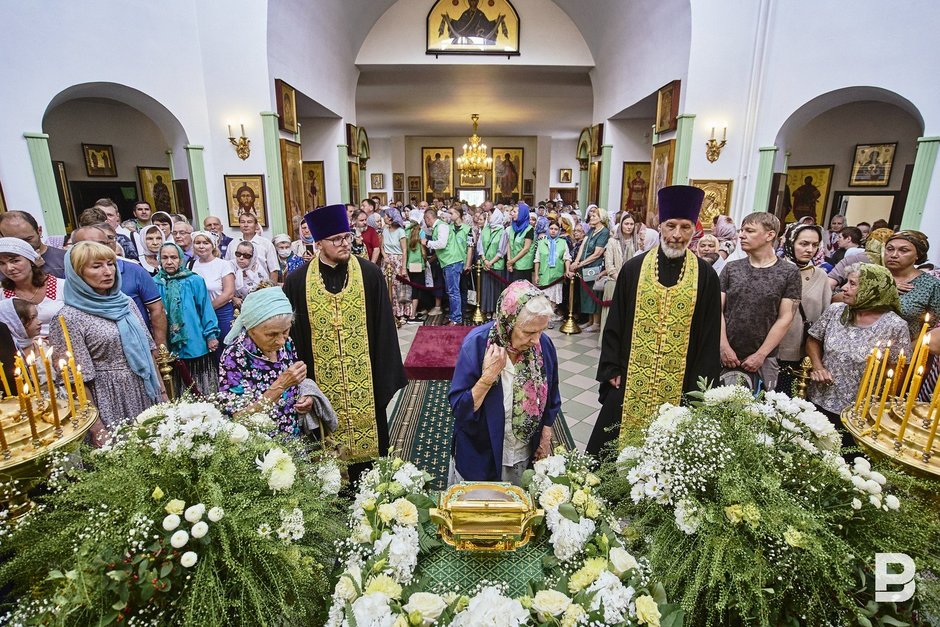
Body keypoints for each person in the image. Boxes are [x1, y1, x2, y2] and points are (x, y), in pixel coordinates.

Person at [588, 186, 721, 455]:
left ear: (694, 229)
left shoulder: (706, 276)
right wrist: (612, 367)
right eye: (671, 225)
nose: (676, 235)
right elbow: (617, 321)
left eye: (685, 227)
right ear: (660, 225)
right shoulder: (634, 269)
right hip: (630, 377)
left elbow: (709, 335)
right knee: (607, 453)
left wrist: (700, 387)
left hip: (682, 382)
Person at [282, 204, 406, 483]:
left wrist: (383, 381)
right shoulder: (297, 282)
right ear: (319, 243)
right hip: (321, 388)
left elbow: (385, 331)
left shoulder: (369, 275)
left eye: (347, 237)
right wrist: (302, 387)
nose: (345, 244)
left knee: (369, 473)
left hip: (366, 386)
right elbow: (292, 341)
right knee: (327, 472)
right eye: (336, 239)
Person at [49, 242, 164, 444]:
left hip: (143, 389)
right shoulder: (68, 318)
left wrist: (161, 393)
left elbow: (147, 349)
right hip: (107, 399)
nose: (108, 271)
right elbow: (75, 380)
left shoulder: (125, 302)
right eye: (96, 266)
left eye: (110, 264)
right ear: (77, 273)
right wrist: (96, 427)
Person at [448, 281, 560, 484]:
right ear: (509, 323)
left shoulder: (543, 346)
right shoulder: (477, 344)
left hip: (524, 453)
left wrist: (545, 434)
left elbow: (552, 394)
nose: (536, 340)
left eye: (541, 330)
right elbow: (459, 409)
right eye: (528, 332)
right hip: (481, 454)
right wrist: (488, 377)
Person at [807, 263, 910, 446]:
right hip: (820, 400)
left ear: (872, 289)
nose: (844, 288)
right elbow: (814, 339)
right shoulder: (836, 311)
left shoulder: (895, 325)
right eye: (847, 282)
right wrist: (818, 366)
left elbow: (898, 369)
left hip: (860, 412)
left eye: (853, 284)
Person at [720, 212, 801, 391]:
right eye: (741, 230)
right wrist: (723, 346)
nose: (741, 235)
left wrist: (760, 355)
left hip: (764, 359)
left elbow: (785, 318)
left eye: (749, 231)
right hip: (725, 355)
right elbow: (716, 310)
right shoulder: (731, 268)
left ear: (769, 235)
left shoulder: (788, 272)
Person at [218, 288, 315, 437]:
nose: (281, 340)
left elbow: (295, 388)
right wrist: (280, 385)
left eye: (286, 331)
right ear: (251, 329)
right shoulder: (234, 356)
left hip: (293, 437)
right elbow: (238, 418)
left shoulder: (287, 344)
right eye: (272, 334)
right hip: (261, 447)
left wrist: (304, 399)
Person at [70, 225, 168, 348]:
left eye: (100, 244)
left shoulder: (133, 277)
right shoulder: (69, 304)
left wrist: (160, 346)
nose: (107, 272)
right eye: (86, 245)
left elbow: (157, 310)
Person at [154, 243, 220, 396]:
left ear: (181, 259)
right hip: (168, 342)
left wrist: (211, 335)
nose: (169, 261)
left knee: (199, 383)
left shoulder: (194, 280)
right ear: (159, 259)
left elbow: (205, 308)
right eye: (165, 257)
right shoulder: (156, 282)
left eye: (173, 257)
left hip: (194, 339)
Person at [776, 223, 833, 396]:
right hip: (772, 349)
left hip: (803, 353)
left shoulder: (821, 275)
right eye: (804, 244)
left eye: (815, 245)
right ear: (791, 242)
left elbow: (825, 315)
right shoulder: (775, 270)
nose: (810, 249)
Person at [0, 237, 64, 337]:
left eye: (15, 261)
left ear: (31, 261)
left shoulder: (62, 286)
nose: (9, 268)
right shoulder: (3, 296)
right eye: (2, 263)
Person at [882, 230, 940, 339]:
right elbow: (841, 299)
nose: (894, 255)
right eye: (890, 249)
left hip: (906, 349)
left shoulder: (931, 285)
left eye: (903, 250)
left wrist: (910, 350)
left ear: (918, 255)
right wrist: (884, 289)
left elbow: (930, 328)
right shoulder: (871, 276)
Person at [598, 211, 638, 344]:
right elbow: (609, 265)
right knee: (611, 314)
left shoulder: (637, 242)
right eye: (626, 224)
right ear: (621, 225)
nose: (629, 227)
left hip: (633, 283)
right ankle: (607, 342)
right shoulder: (612, 242)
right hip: (614, 281)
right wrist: (620, 278)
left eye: (632, 224)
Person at [191, 231, 236, 347]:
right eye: (197, 243)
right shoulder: (190, 265)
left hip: (222, 313)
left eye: (205, 243)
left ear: (213, 245)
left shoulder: (223, 265)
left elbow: (229, 293)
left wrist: (207, 310)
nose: (201, 246)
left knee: (225, 347)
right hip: (199, 314)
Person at [570, 207, 610, 332]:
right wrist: (576, 261)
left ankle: (596, 323)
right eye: (591, 215)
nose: (591, 217)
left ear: (601, 218)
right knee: (586, 294)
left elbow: (597, 253)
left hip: (594, 266)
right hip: (584, 266)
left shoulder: (604, 232)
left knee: (594, 293)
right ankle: (590, 320)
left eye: (594, 216)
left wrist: (580, 264)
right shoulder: (591, 231)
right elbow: (583, 246)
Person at [0, 211, 67, 279]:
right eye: (16, 241)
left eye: (28, 239)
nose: (24, 245)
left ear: (39, 231)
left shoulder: (66, 258)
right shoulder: (3, 265)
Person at [532, 220, 571, 325]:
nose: (553, 231)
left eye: (556, 229)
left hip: (556, 275)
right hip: (544, 274)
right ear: (548, 229)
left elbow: (567, 258)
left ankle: (549, 319)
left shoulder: (563, 242)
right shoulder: (541, 242)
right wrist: (536, 275)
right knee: (544, 298)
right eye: (551, 229)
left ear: (559, 231)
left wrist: (567, 270)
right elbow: (537, 260)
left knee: (553, 299)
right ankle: (544, 318)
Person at [225, 212, 278, 282]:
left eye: (249, 222)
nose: (245, 225)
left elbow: (273, 270)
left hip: (261, 287)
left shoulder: (266, 244)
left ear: (256, 225)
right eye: (242, 222)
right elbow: (227, 268)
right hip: (238, 287)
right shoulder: (233, 244)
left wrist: (271, 289)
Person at [381, 208, 411, 324]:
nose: (384, 217)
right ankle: (391, 313)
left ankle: (402, 313)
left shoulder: (400, 231)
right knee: (389, 287)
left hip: (398, 261)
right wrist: (385, 256)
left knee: (400, 288)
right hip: (387, 262)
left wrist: (403, 267)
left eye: (386, 215)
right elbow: (382, 246)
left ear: (391, 218)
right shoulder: (385, 230)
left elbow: (404, 250)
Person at [478, 207, 509, 320]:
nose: (488, 217)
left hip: (496, 264)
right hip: (485, 264)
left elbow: (502, 250)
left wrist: (491, 262)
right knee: (486, 288)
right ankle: (487, 309)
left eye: (490, 215)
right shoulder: (485, 229)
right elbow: (480, 245)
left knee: (496, 289)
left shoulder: (502, 232)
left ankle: (496, 310)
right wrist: (484, 259)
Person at [231, 241, 270, 310]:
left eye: (246, 256)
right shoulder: (230, 266)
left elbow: (267, 289)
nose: (241, 258)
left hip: (259, 306)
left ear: (253, 256)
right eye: (238, 254)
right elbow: (220, 289)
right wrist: (233, 298)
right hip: (235, 308)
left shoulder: (259, 269)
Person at [507, 202, 535, 282]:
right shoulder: (513, 227)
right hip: (512, 264)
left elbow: (526, 249)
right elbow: (509, 244)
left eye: (515, 212)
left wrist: (512, 261)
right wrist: (509, 261)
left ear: (522, 214)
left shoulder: (529, 229)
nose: (512, 213)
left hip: (523, 266)